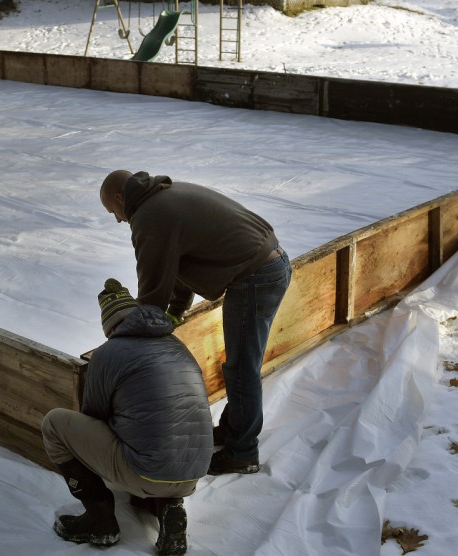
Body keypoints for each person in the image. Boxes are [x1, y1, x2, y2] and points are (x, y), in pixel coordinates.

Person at [99, 170, 292, 476]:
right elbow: (176, 263)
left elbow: (152, 286)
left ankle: (242, 452)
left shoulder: (149, 216)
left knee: (242, 368)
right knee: (242, 364)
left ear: (120, 197)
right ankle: (233, 430)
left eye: (113, 211)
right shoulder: (165, 194)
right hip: (269, 263)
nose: (118, 220)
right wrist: (175, 311)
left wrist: (136, 335)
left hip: (256, 276)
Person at [42, 278, 213, 556]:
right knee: (162, 435)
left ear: (110, 327)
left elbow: (94, 416)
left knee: (54, 423)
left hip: (149, 470)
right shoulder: (176, 345)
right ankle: (169, 506)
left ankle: (100, 520)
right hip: (194, 471)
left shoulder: (108, 353)